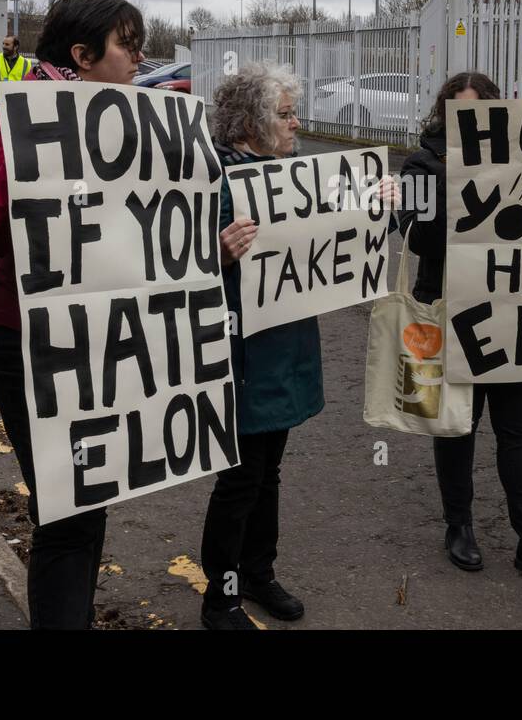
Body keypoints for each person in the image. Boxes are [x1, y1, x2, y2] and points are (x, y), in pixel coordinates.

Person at [0, 0, 143, 628]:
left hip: (95, 336)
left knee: (91, 498)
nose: (140, 59)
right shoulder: (14, 121)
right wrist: (34, 153)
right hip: (29, 341)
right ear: (83, 55)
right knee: (67, 510)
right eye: (128, 44)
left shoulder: (123, 123)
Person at [394, 71, 522, 590]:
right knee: (457, 424)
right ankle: (459, 526)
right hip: (453, 312)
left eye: (477, 115)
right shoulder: (423, 162)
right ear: (444, 113)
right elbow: (419, 239)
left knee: (518, 430)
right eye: (458, 115)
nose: (466, 124)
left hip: (511, 311)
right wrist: (461, 186)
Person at [200, 62, 326, 628]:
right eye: (285, 113)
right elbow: (168, 259)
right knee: (241, 477)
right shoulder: (214, 176)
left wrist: (380, 211)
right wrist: (217, 252)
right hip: (241, 350)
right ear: (251, 121)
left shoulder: (292, 172)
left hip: (285, 345)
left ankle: (259, 573)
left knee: (268, 471)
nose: (296, 122)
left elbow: (337, 241)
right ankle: (220, 594)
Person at [0, 34, 33, 114]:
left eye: (7, 44)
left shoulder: (26, 64)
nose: (4, 46)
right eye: (3, 43)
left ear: (16, 47)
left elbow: (29, 86)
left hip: (18, 106)